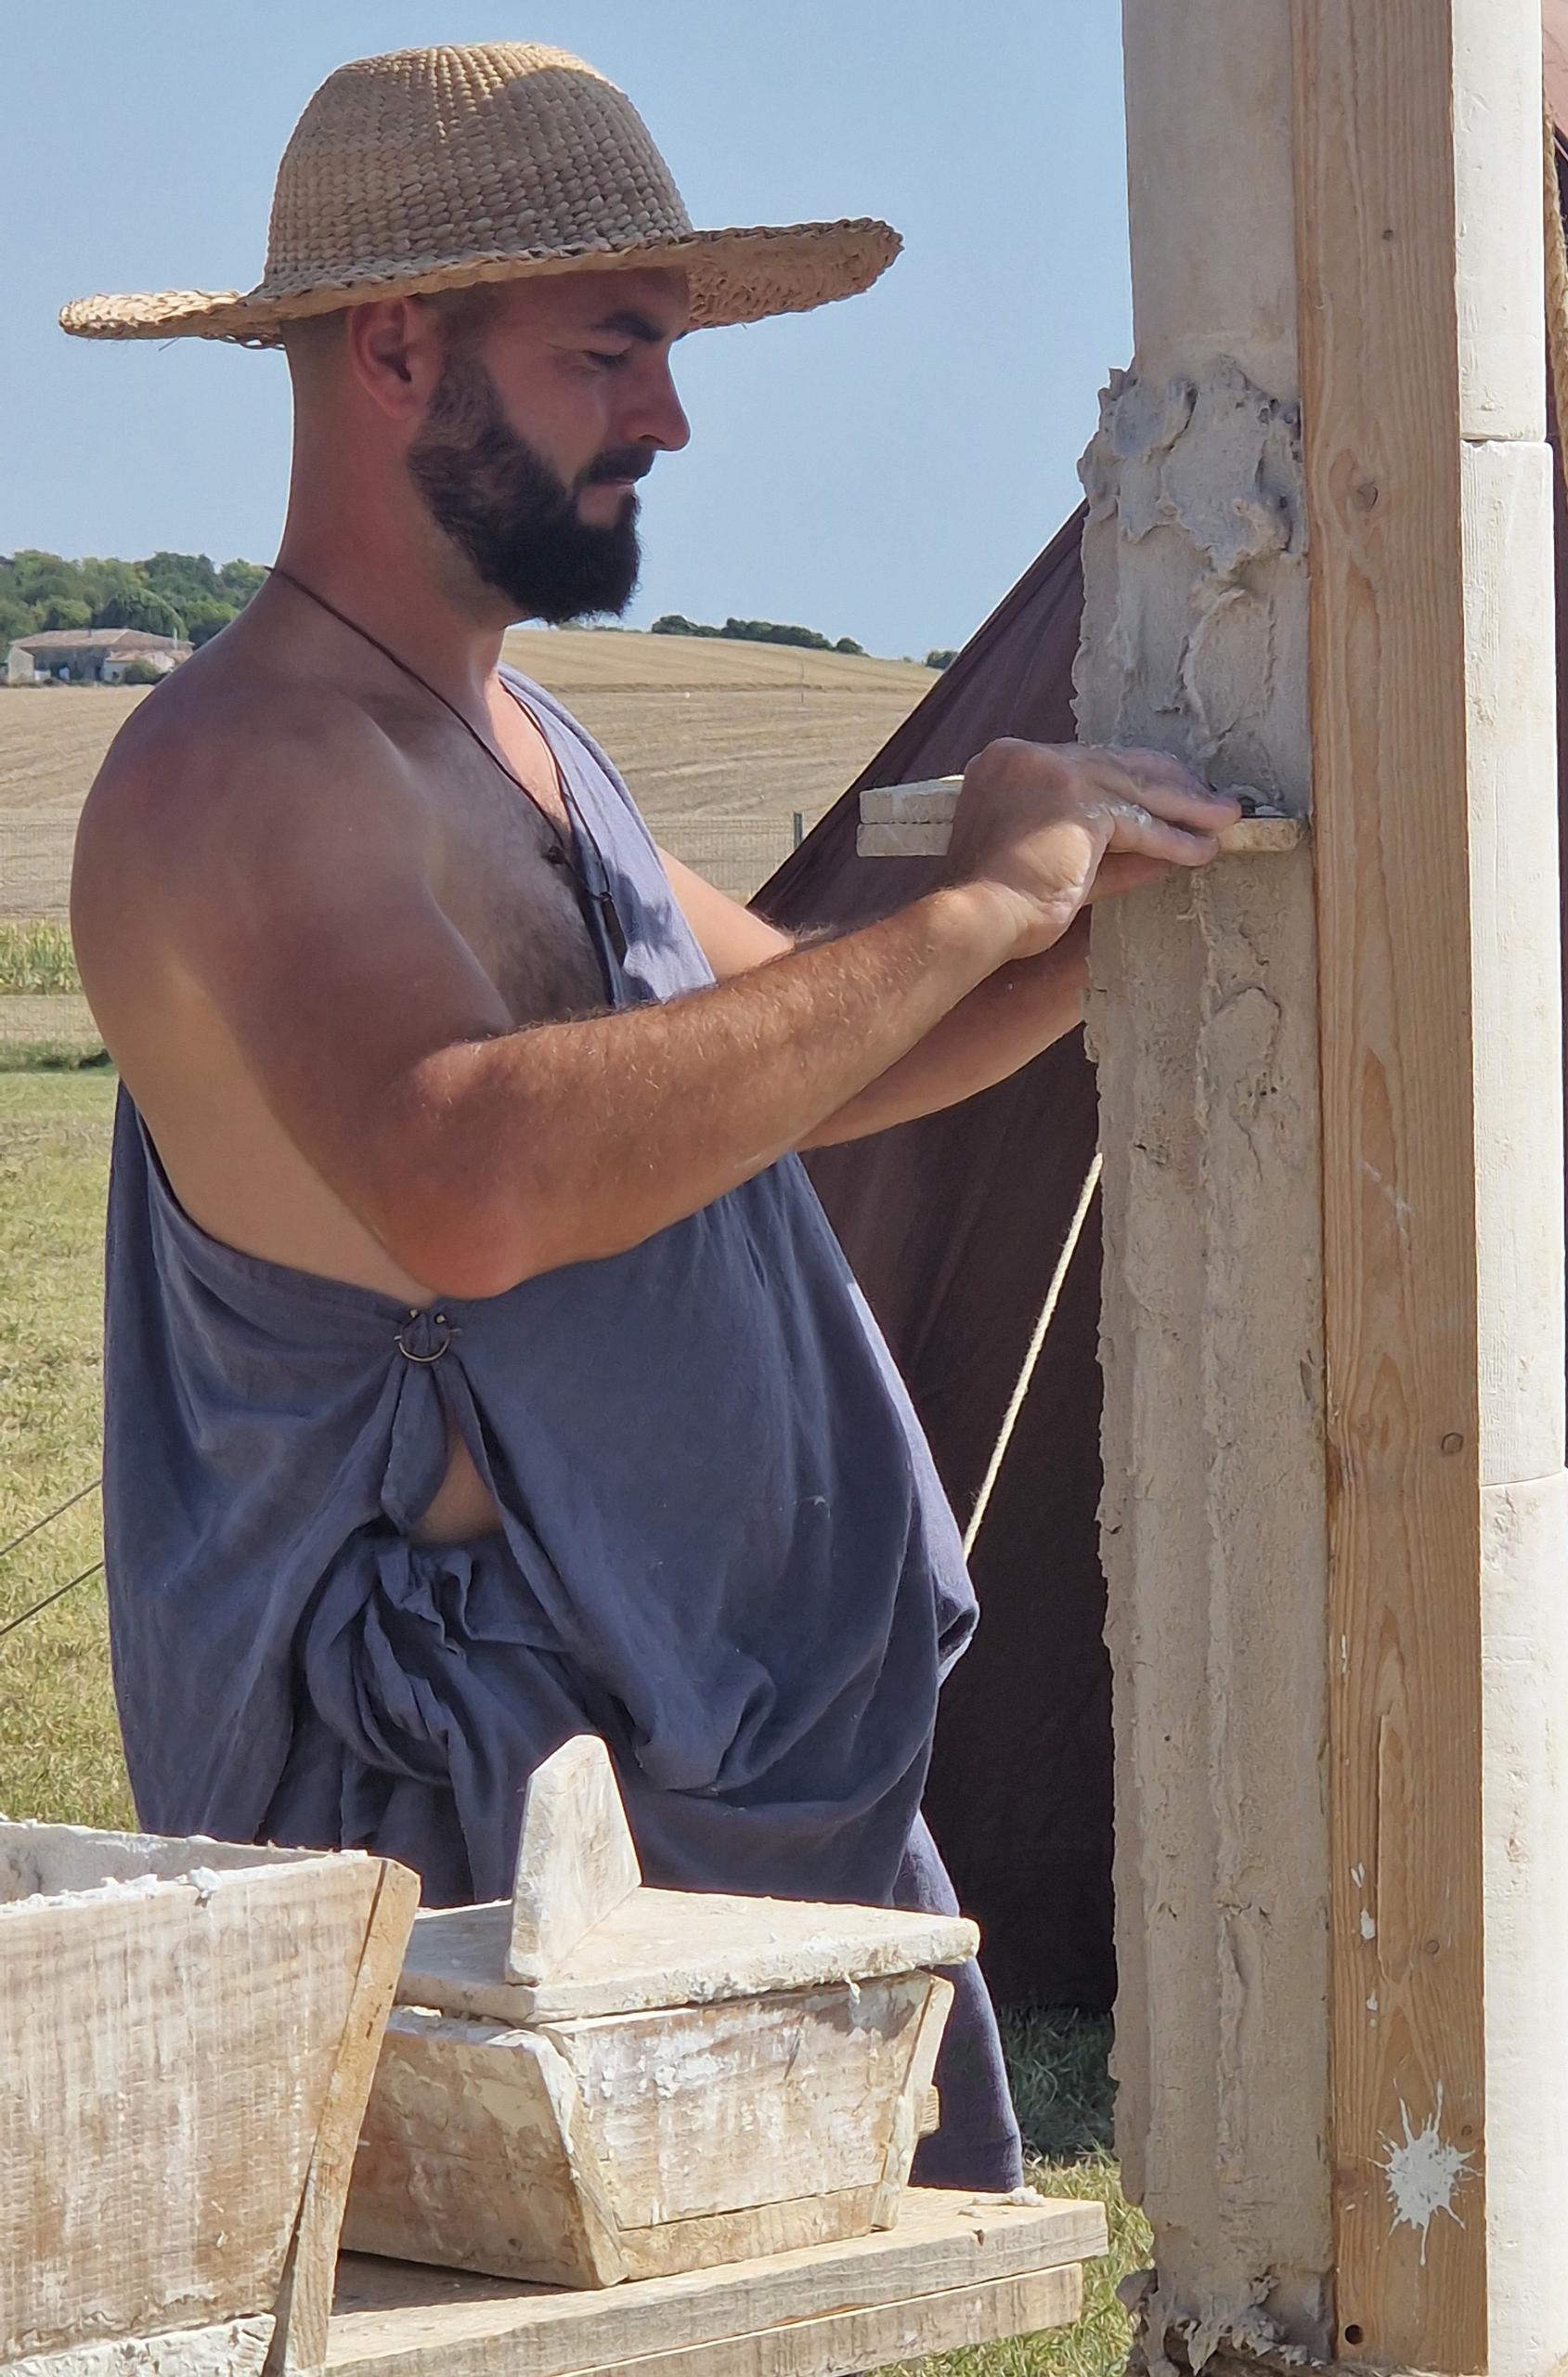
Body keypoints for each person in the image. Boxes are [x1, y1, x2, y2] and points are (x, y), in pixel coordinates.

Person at [61, 42, 1236, 2191]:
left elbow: (792, 1057)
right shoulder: (249, 777)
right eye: (615, 351)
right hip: (468, 1853)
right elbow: (472, 1174)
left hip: (667, 1797)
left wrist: (1062, 937)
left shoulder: (500, 734)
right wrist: (967, 891)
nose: (672, 419)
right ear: (399, 348)